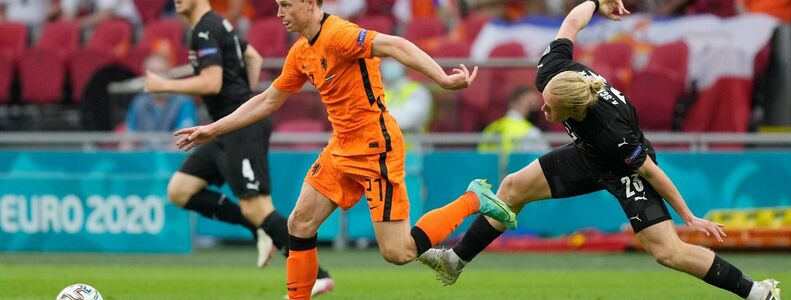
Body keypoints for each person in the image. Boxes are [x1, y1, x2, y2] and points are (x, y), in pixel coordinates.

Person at [419, 1, 782, 299]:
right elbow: (571, 23)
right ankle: (455, 260)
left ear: (576, 112)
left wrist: (688, 217)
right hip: (586, 152)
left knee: (667, 252)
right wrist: (596, 1)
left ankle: (758, 293)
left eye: (550, 110)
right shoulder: (554, 72)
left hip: (623, 168)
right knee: (513, 188)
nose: (543, 112)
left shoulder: (612, 132)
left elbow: (651, 172)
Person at [172, 0, 518, 299]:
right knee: (300, 222)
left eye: (286, 5)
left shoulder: (340, 34)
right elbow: (268, 99)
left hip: (375, 147)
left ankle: (474, 198)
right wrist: (212, 128)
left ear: (310, 3)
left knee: (398, 252)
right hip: (340, 147)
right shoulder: (302, 51)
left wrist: (441, 77)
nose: (279, 13)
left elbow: (395, 44)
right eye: (277, 6)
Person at [143, 0, 334, 296]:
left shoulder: (205, 29)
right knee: (180, 190)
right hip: (223, 128)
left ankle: (317, 276)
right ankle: (259, 229)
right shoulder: (219, 25)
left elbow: (211, 82)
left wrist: (164, 84)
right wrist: (244, 100)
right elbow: (253, 56)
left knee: (258, 207)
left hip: (240, 129)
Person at [124, 54, 197, 150]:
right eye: (152, 72)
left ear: (170, 74)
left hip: (173, 161)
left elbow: (182, 141)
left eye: (162, 71)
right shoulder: (139, 102)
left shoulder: (184, 102)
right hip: (144, 160)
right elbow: (128, 140)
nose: (157, 77)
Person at [478, 86, 550, 153]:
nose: (536, 108)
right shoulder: (531, 132)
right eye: (531, 103)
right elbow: (547, 159)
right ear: (514, 103)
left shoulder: (491, 128)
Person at [381, 58, 432, 134]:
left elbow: (405, 121)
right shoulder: (378, 89)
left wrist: (377, 116)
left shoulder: (417, 90)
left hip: (411, 145)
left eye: (394, 59)